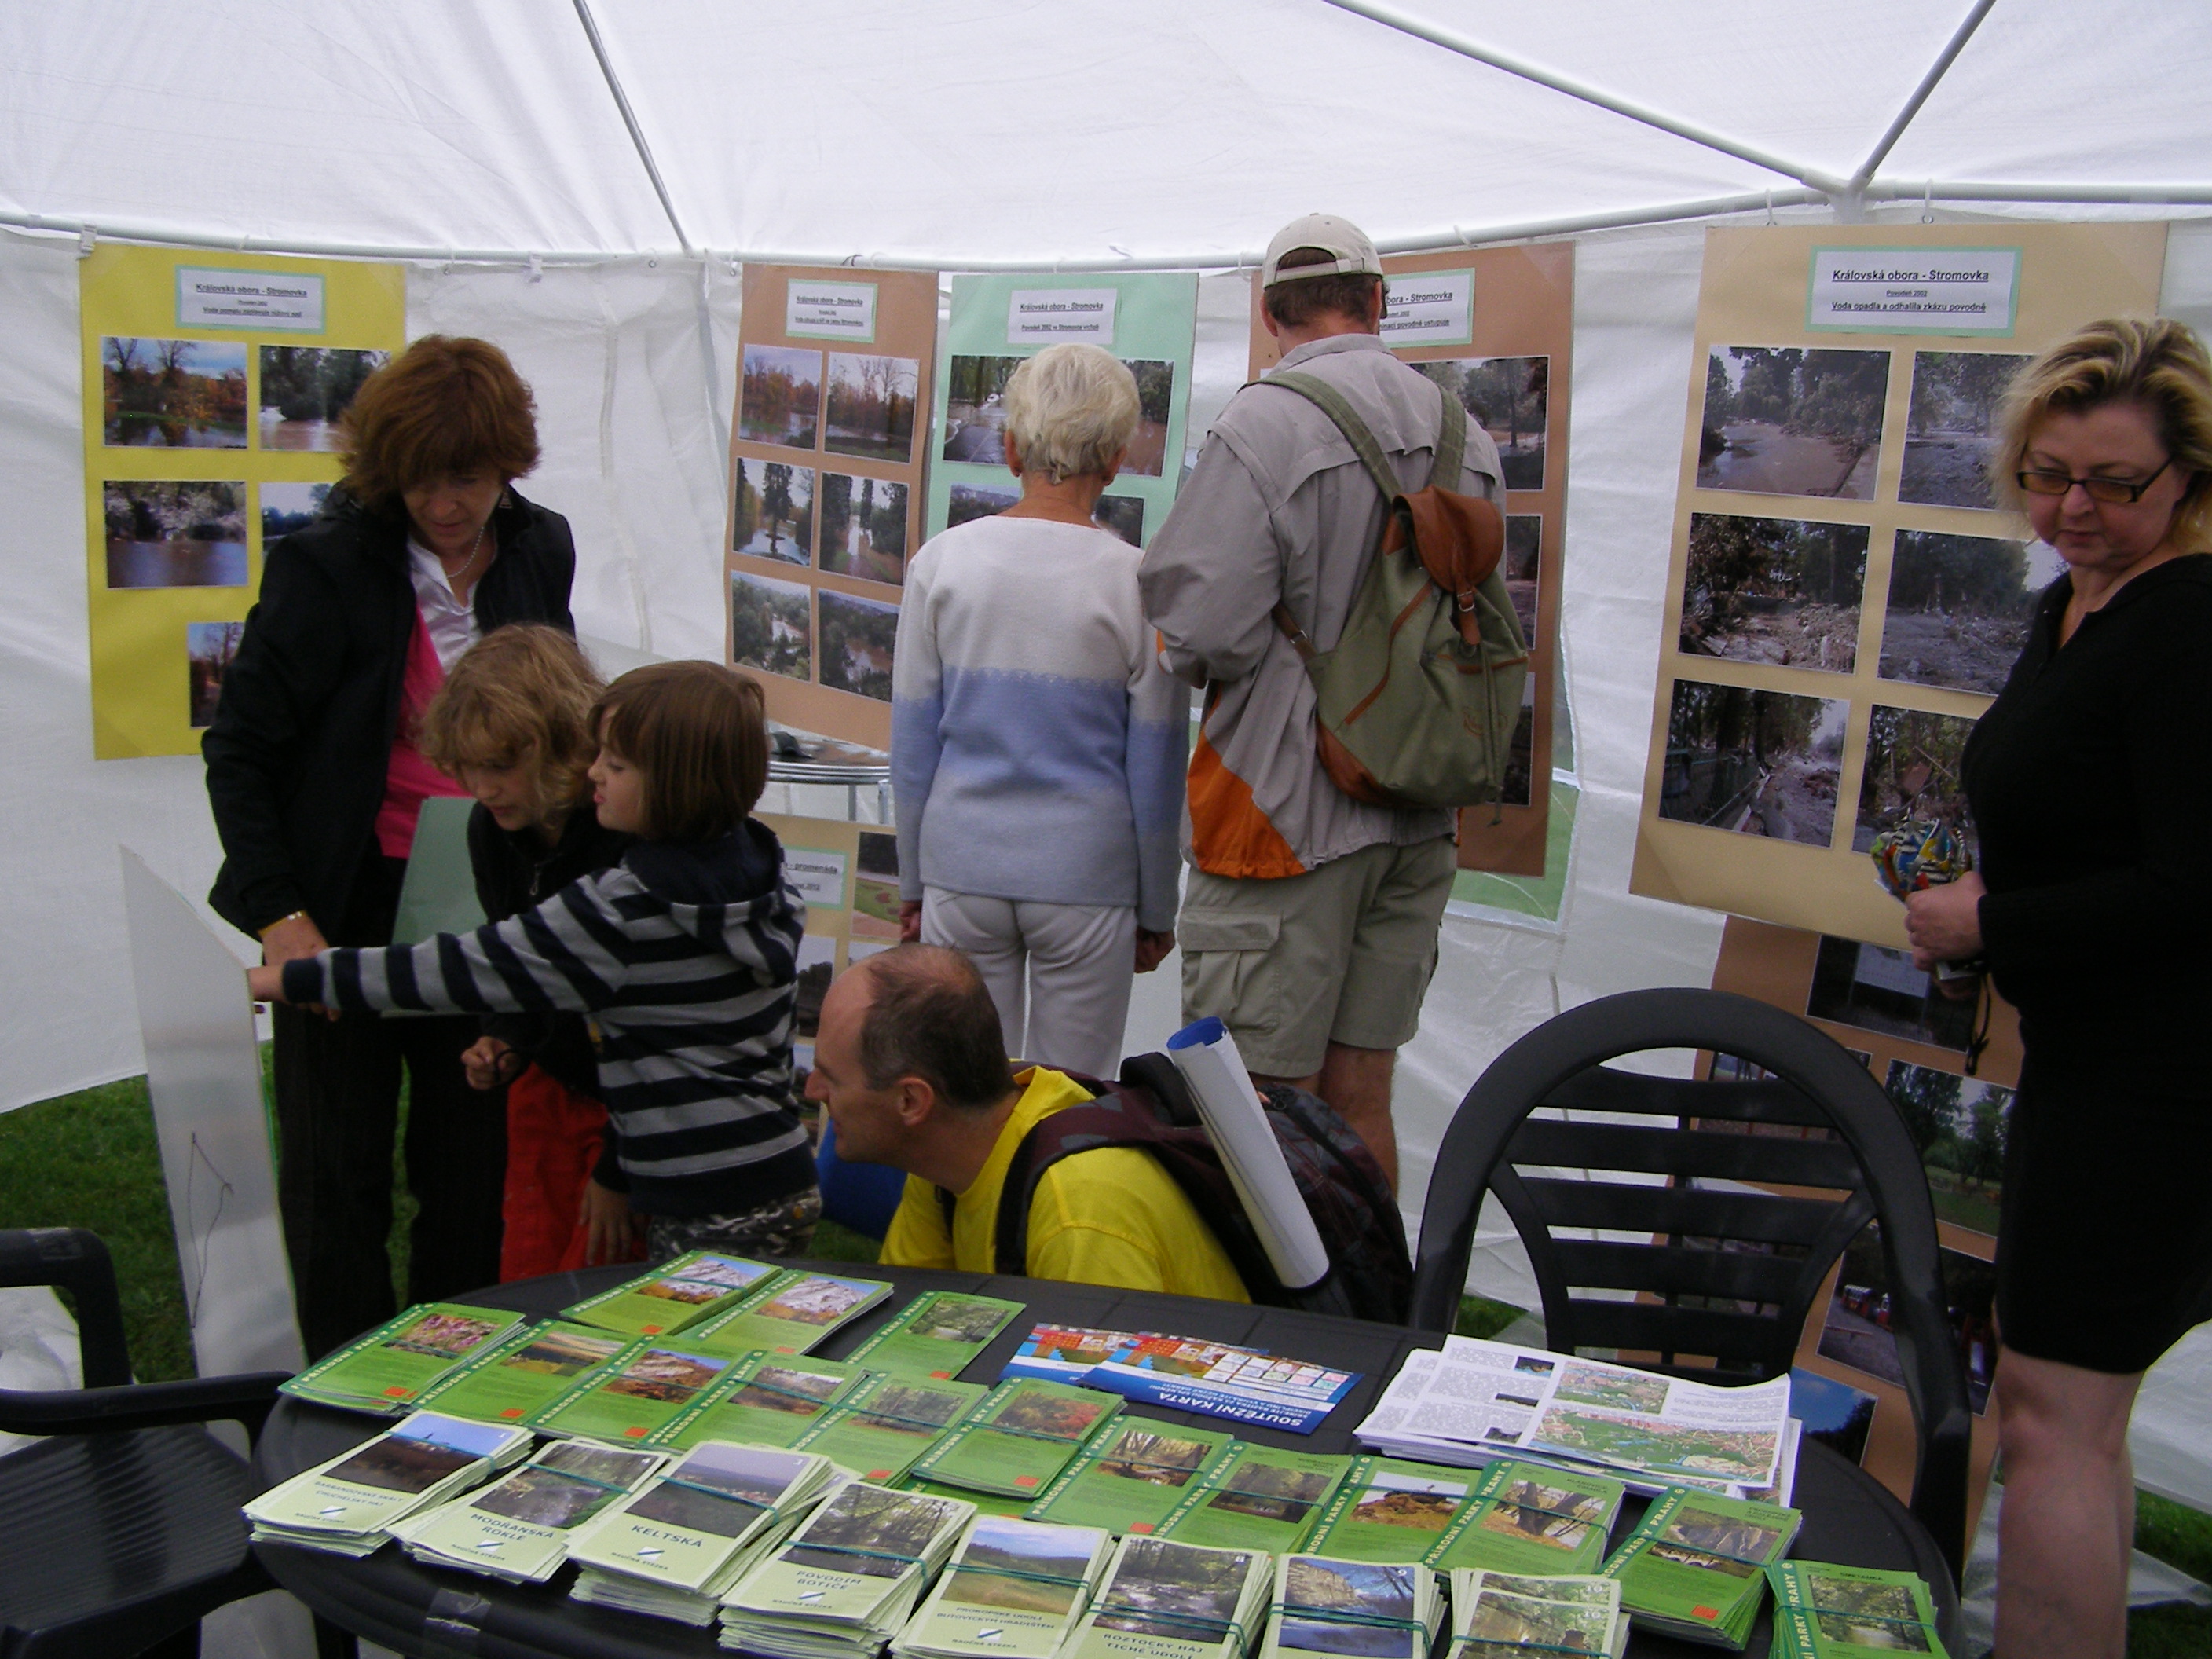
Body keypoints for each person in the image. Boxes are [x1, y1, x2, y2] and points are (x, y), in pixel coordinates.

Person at [1903, 317, 2212, 1659]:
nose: (2073, 507)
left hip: (2162, 1079)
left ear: (2190, 482)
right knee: (2053, 1401)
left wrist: (1991, 916)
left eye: (2114, 482)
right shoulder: (2078, 607)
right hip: (2095, 1057)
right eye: (2047, 474)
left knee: (2054, 1419)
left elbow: (2190, 887)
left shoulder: (2188, 628)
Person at [203, 335, 576, 1357]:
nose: (442, 505)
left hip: (484, 894)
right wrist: (285, 919)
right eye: (417, 481)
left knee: (468, 1160)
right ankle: (338, 1385)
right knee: (337, 1167)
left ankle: (454, 1380)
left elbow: (554, 711)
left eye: (463, 478)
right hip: (348, 897)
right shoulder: (326, 568)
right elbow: (238, 752)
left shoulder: (541, 549)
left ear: (508, 462)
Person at [1137, 214, 1503, 1189]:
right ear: (1378, 302)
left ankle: (1261, 1337)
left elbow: (1203, 628)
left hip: (1280, 815)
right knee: (1360, 1097)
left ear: (1268, 313)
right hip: (1417, 807)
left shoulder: (1261, 421)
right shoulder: (1466, 437)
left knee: (1252, 1104)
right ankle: (1370, 1318)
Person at [249, 661, 822, 1266]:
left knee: (677, 1357)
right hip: (777, 1174)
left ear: (677, 784)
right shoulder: (762, 872)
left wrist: (289, 976)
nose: (593, 771)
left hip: (704, 1199)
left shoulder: (623, 908)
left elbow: (462, 967)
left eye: (617, 765)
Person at [890, 344, 1185, 1080]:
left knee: (966, 1090)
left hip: (962, 864)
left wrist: (914, 886)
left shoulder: (940, 565)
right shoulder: (1140, 582)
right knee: (1073, 1098)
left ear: (1012, 447)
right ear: (1116, 462)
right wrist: (1156, 909)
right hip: (1090, 877)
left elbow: (913, 750)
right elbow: (1155, 768)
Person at [807, 944, 1247, 1301]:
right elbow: (906, 1321)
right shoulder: (942, 1156)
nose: (811, 1092)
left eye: (830, 1077)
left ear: (911, 1100)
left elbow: (1101, 1400)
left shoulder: (1077, 1216)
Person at [414, 624, 639, 1278]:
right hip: (551, 1086)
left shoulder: (618, 838)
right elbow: (511, 956)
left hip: (630, 1099)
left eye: (501, 766)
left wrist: (616, 1170)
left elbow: (651, 1028)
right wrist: (504, 1036)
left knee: (602, 1279)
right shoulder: (493, 830)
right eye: (470, 769)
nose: (484, 789)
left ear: (564, 745)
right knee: (534, 1273)